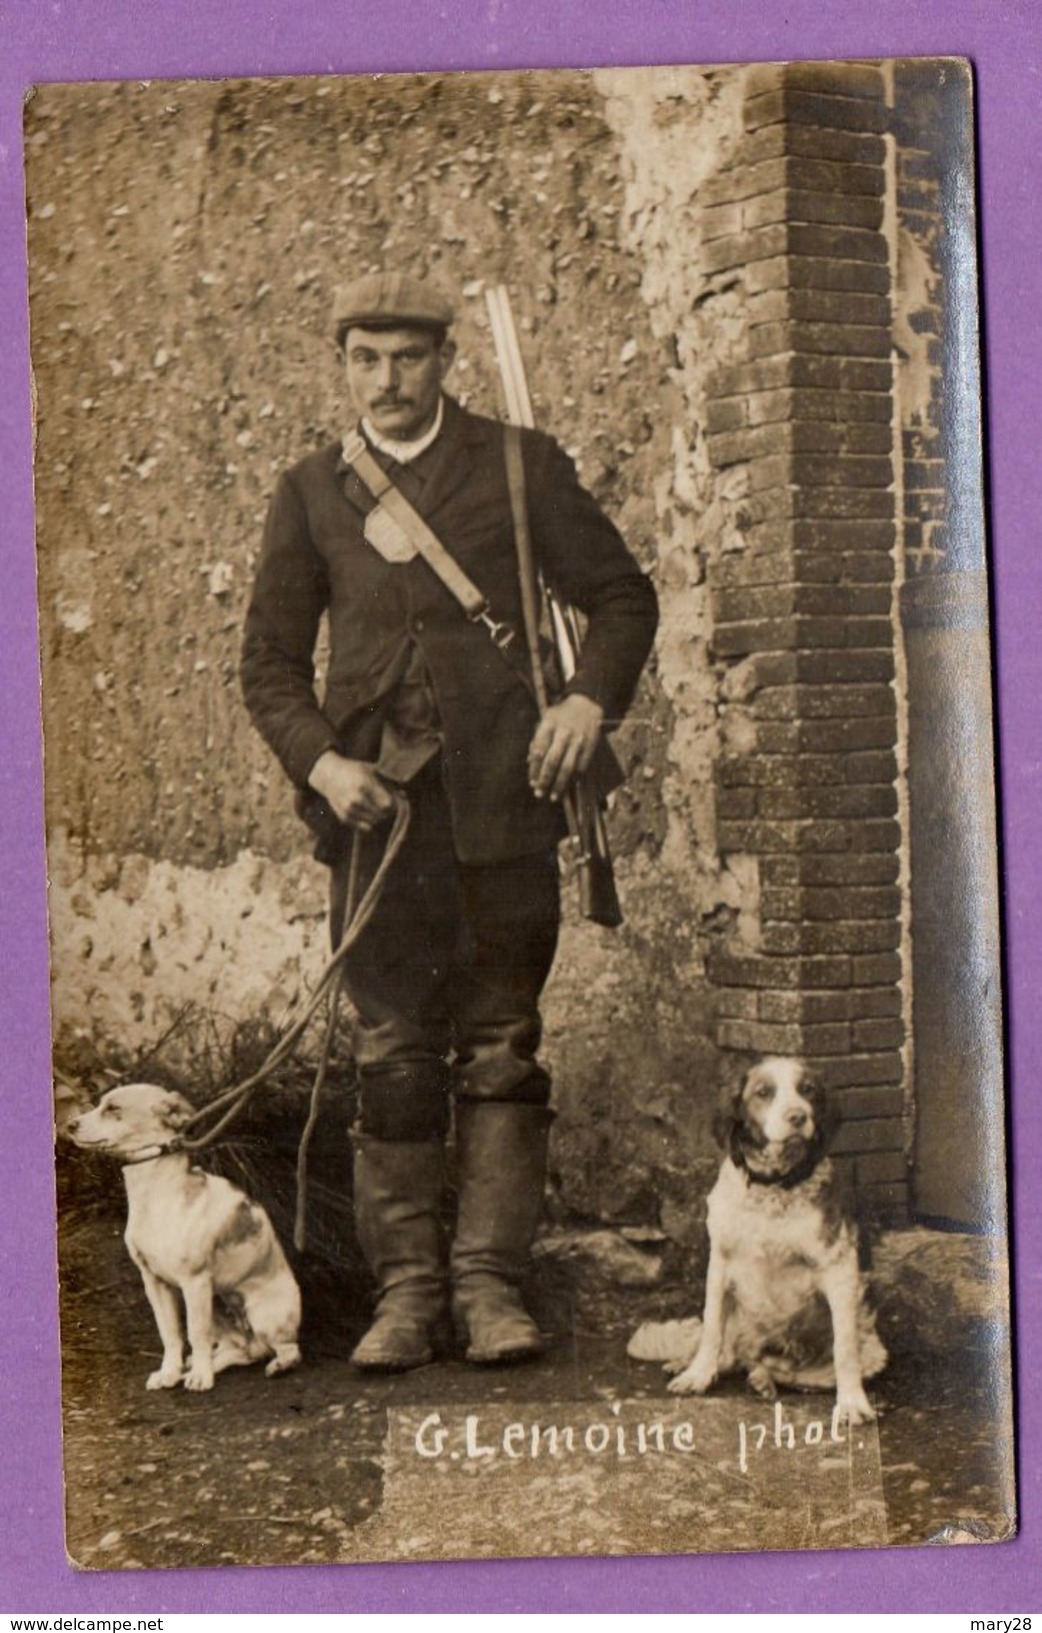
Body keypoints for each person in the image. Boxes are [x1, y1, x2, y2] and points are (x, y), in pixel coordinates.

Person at [241, 271, 657, 1371]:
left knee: (503, 1048)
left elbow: (621, 595)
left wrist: (583, 700)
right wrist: (325, 765)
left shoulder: (520, 467)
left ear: (445, 362)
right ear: (344, 364)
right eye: (365, 358)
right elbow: (270, 667)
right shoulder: (311, 491)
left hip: (506, 809)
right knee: (391, 1054)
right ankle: (408, 1296)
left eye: (408, 357)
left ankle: (489, 1289)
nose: (387, 380)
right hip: (378, 826)